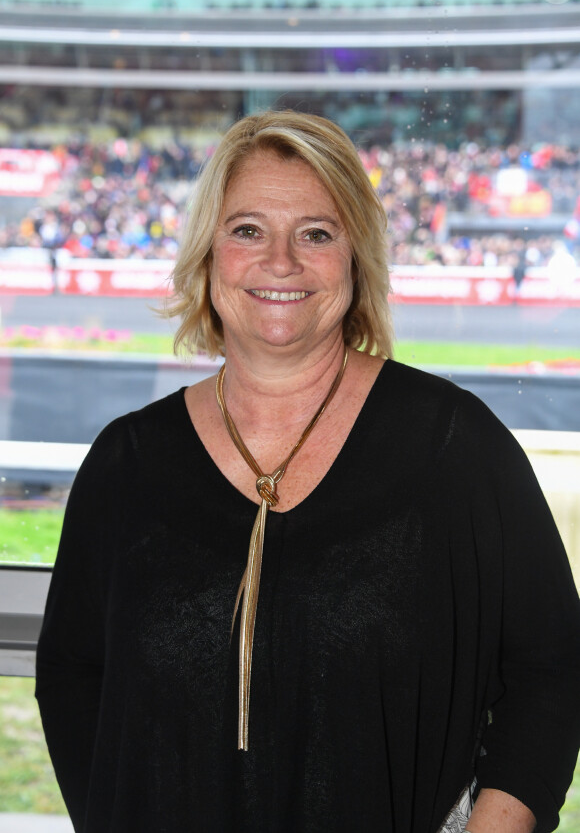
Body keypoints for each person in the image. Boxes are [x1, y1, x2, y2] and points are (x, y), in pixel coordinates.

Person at [36, 110, 580, 833]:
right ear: (207, 253)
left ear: (355, 258)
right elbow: (72, 677)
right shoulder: (126, 463)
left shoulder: (455, 447)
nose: (282, 261)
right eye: (248, 230)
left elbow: (551, 671)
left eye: (316, 233)